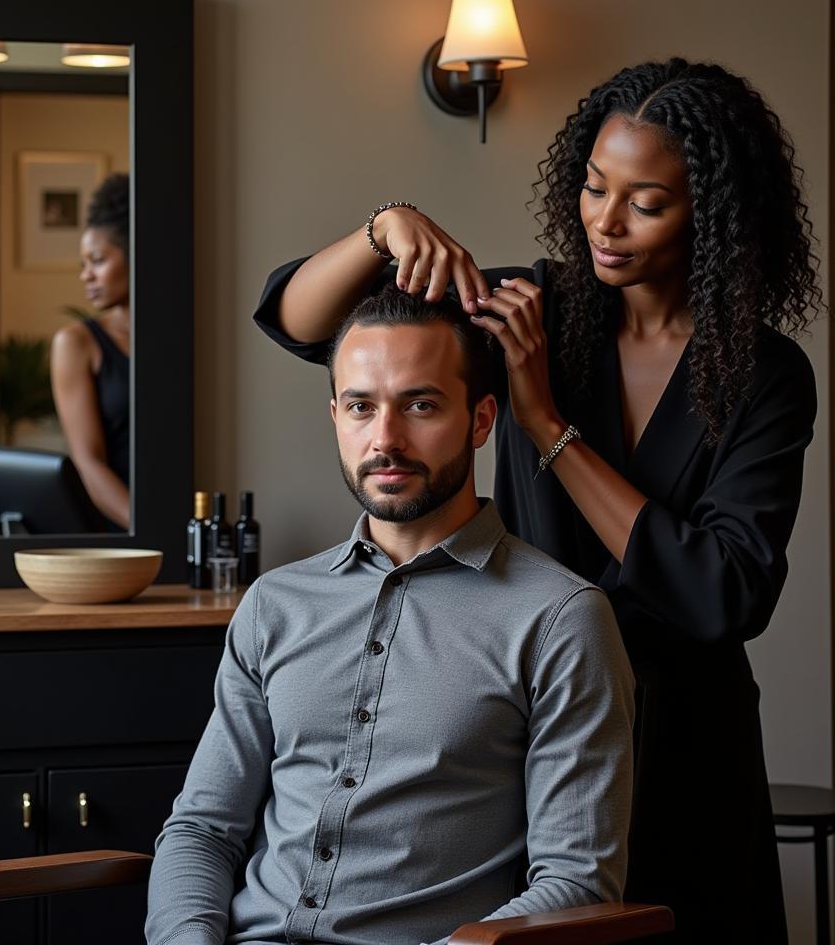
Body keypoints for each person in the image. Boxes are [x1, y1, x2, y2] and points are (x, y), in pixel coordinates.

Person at [254, 58, 822, 943]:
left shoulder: (764, 373)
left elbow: (723, 592)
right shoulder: (530, 308)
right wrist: (385, 228)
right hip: (529, 734)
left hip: (685, 750)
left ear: (711, 214)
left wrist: (546, 422)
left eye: (647, 201)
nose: (606, 220)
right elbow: (302, 322)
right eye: (595, 187)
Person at [147, 284, 634, 945]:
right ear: (336, 418)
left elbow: (576, 883)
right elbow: (202, 830)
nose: (386, 439)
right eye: (361, 407)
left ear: (481, 420)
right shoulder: (273, 605)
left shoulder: (560, 619)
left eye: (421, 405)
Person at [51, 172, 130, 529]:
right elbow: (88, 463)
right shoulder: (75, 344)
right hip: (117, 533)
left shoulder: (180, 341)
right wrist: (151, 528)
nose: (86, 275)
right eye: (84, 264)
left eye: (97, 261)